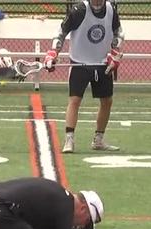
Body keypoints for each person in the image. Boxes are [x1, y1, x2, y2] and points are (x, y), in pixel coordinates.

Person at [44, 0, 124, 153]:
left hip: (102, 62)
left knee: (107, 101)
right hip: (79, 62)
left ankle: (98, 140)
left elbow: (118, 33)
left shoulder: (110, 9)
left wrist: (115, 52)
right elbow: (61, 32)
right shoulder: (79, 10)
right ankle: (69, 139)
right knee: (75, 100)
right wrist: (53, 52)